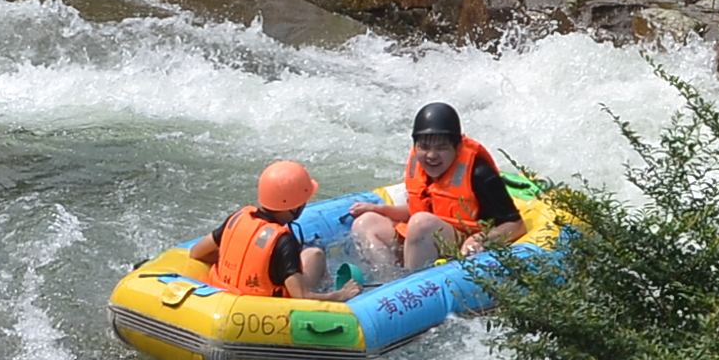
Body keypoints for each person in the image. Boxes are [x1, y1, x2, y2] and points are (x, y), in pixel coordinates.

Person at [346, 101, 524, 285]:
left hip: (460, 241)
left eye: (441, 148)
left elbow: (516, 224)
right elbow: (419, 209)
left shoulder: (479, 174)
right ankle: (387, 283)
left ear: (457, 147)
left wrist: (480, 239)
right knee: (366, 222)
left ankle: (411, 288)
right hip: (423, 237)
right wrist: (379, 209)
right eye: (424, 147)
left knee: (421, 223)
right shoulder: (419, 167)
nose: (431, 155)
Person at [188, 159, 333, 299]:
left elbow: (196, 252)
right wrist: (340, 295)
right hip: (265, 304)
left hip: (225, 293)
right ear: (295, 207)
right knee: (315, 254)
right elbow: (300, 296)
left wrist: (237, 263)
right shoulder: (284, 241)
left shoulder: (237, 219)